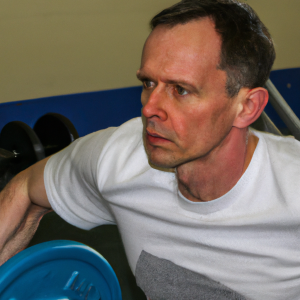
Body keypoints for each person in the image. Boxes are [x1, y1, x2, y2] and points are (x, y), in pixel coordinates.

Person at [1, 0, 300, 299]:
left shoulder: (292, 189)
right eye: (148, 82)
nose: (149, 108)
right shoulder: (118, 159)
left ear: (247, 107)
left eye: (180, 89)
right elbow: (27, 189)